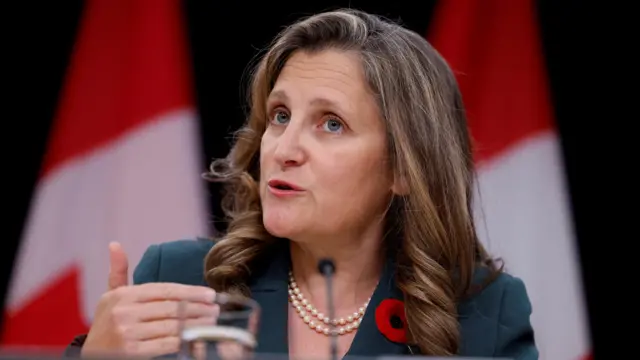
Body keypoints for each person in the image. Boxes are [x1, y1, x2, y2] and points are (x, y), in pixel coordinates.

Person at [65, 8, 537, 360]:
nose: (283, 148)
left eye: (331, 124)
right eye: (280, 116)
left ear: (403, 170)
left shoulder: (486, 315)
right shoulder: (181, 281)